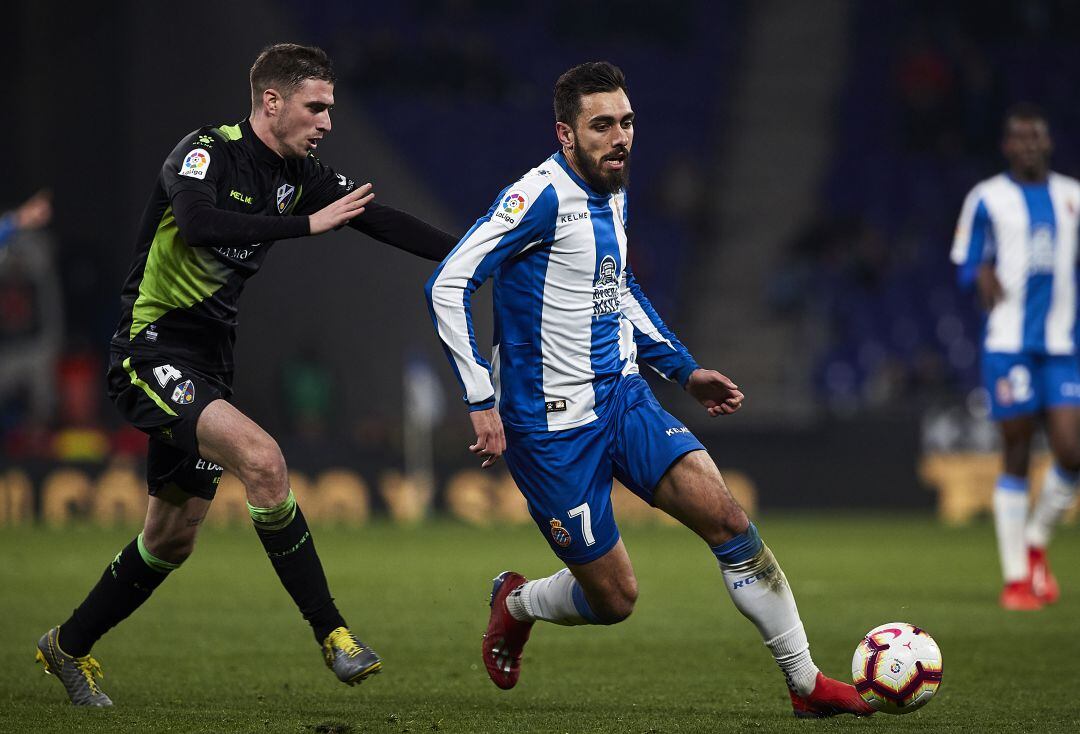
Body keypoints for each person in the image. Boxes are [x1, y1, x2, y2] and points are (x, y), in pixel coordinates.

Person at [425, 61, 872, 719]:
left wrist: (684, 370)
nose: (620, 138)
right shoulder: (539, 197)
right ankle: (516, 603)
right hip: (550, 431)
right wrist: (477, 399)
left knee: (727, 518)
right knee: (616, 600)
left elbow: (617, 288)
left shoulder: (612, 188)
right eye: (602, 125)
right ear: (566, 134)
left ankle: (806, 685)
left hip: (624, 398)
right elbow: (448, 282)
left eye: (627, 122)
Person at [35, 43, 458, 707]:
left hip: (207, 364)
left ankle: (67, 645)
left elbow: (378, 218)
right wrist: (304, 225)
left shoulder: (302, 174)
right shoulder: (204, 152)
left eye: (330, 109)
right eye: (315, 107)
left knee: (169, 541)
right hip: (149, 351)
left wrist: (475, 254)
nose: (325, 122)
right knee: (264, 462)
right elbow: (199, 225)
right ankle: (334, 634)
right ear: (271, 101)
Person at [951, 103, 1080, 611]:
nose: (1028, 144)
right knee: (1017, 450)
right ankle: (1015, 579)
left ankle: (1035, 541)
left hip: (1063, 347)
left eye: (1036, 137)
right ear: (1007, 145)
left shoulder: (1073, 196)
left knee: (1072, 453)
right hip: (1008, 344)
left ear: (1047, 143)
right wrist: (980, 273)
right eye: (1019, 137)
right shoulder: (987, 197)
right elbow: (964, 260)